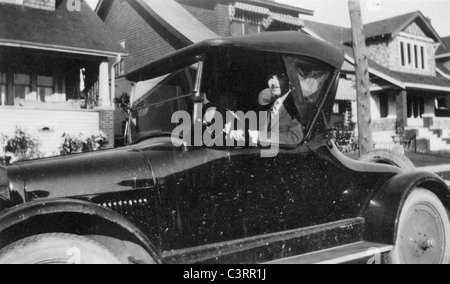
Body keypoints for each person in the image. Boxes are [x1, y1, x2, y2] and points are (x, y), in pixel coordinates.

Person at [254, 73, 304, 147]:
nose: (274, 83)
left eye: (279, 77)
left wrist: (259, 136)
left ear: (290, 79)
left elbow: (295, 138)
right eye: (271, 78)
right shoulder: (274, 104)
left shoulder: (295, 105)